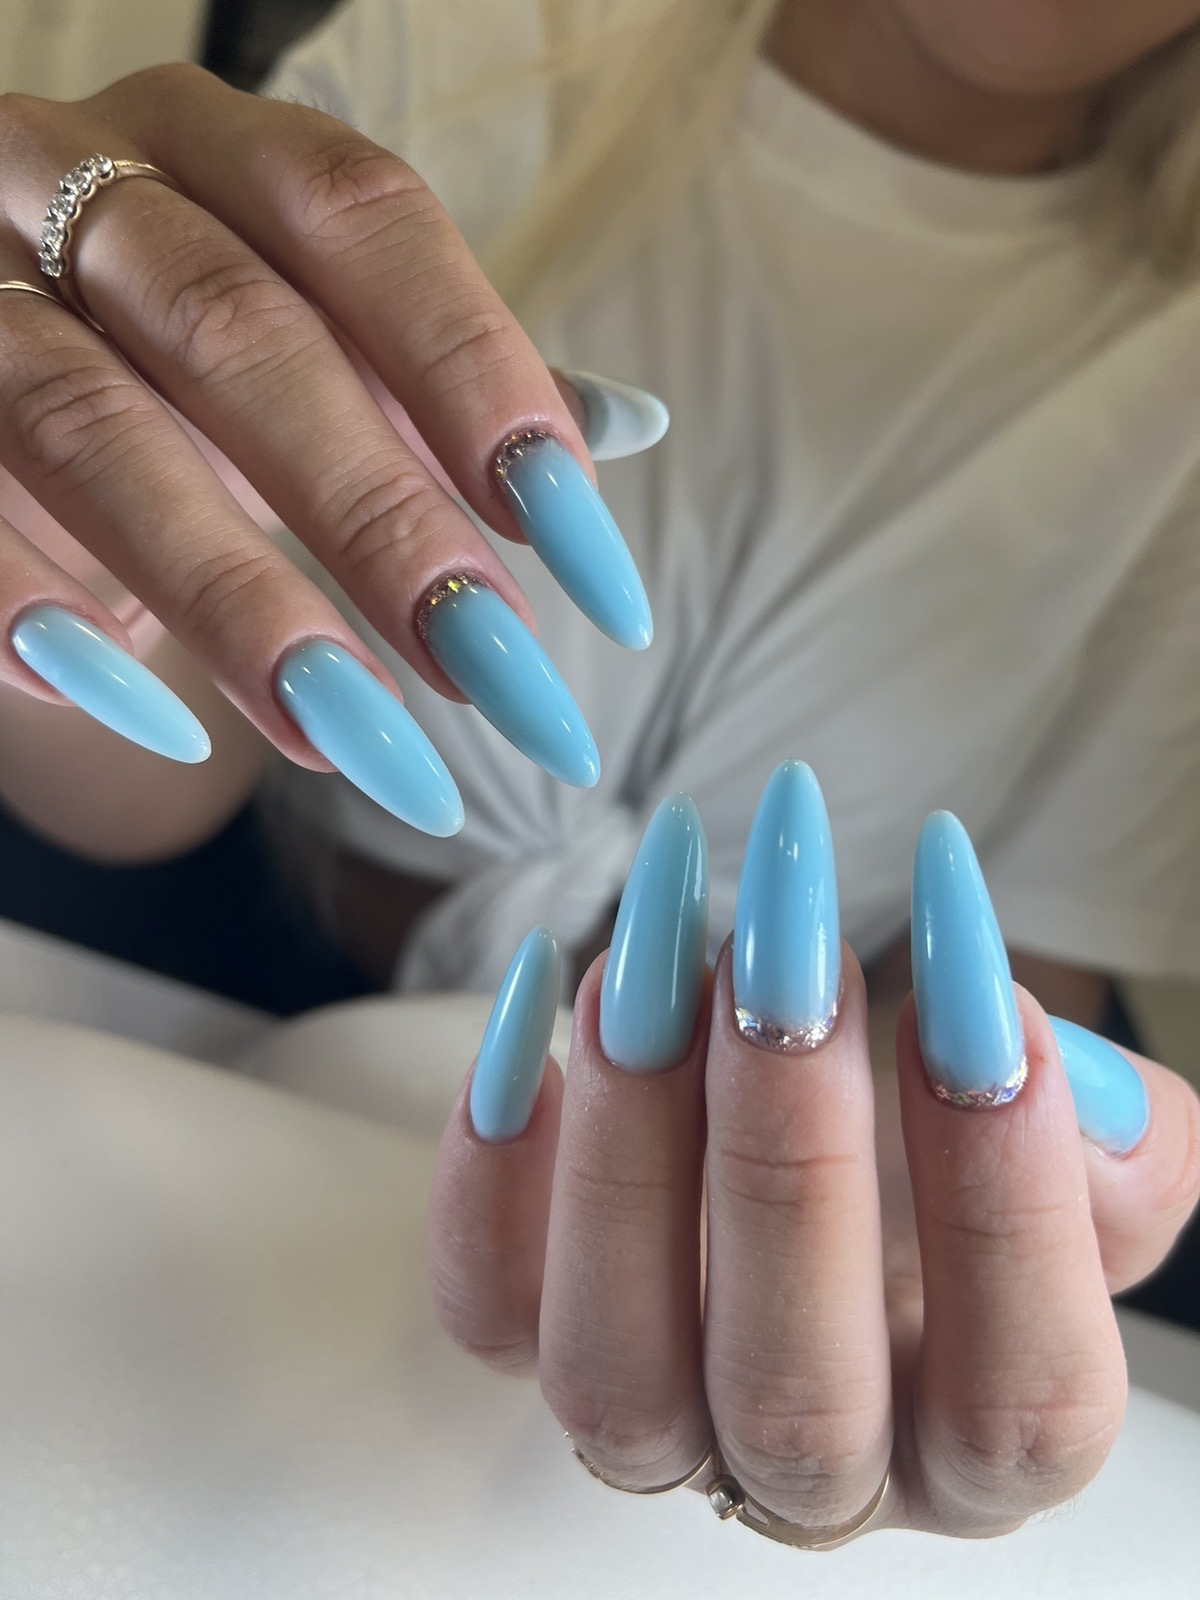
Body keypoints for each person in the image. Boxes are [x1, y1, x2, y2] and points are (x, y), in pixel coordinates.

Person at [0, 0, 1198, 1545]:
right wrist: (65, 529)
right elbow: (149, 792)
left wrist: (921, 1242)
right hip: (206, 1104)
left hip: (661, 1271)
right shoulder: (479, 54)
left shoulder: (1178, 372)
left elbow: (1009, 1003)